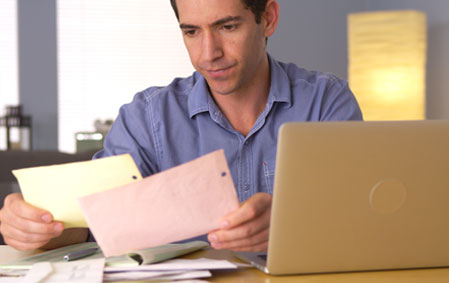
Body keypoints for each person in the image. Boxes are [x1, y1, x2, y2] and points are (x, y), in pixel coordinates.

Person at [0, 0, 362, 252]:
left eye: (227, 26)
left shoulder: (326, 102)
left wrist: (290, 220)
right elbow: (92, 221)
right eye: (191, 31)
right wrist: (37, 228)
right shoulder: (147, 117)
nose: (208, 53)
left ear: (267, 18)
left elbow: (360, 216)